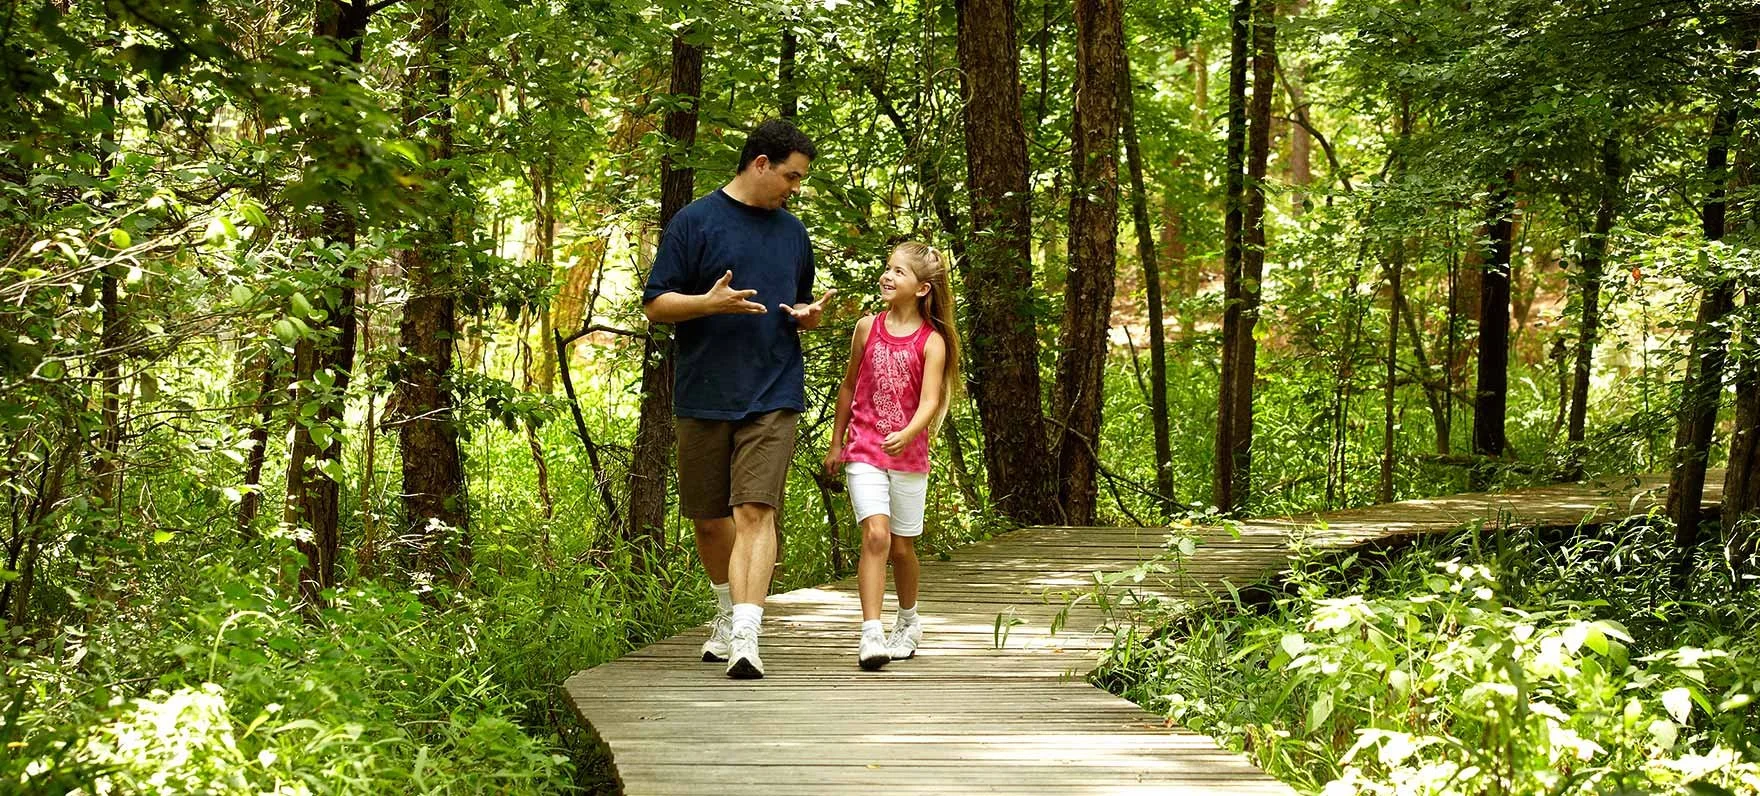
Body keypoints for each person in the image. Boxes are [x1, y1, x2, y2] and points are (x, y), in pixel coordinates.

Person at [641, 119, 833, 679]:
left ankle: (748, 632)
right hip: (704, 391)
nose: (795, 188)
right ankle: (727, 611)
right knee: (708, 519)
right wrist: (708, 304)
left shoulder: (794, 234)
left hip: (774, 389)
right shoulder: (695, 222)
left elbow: (796, 302)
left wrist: (808, 317)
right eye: (792, 177)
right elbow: (655, 305)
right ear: (760, 164)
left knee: (755, 508)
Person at [823, 241, 961, 671]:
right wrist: (835, 442)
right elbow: (849, 387)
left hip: (908, 455)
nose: (887, 276)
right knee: (876, 536)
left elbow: (930, 401)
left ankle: (908, 620)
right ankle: (871, 633)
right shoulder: (867, 327)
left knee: (902, 548)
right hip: (864, 448)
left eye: (898, 272)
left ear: (921, 289)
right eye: (888, 268)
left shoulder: (931, 342)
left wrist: (909, 432)